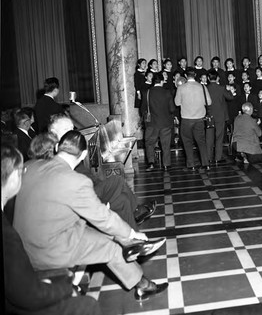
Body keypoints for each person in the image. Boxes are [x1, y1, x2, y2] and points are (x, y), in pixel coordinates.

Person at [14, 131, 168, 301]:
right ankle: (143, 280)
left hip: (22, 244)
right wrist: (132, 233)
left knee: (111, 235)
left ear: (57, 147)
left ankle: (134, 252)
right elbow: (103, 218)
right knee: (111, 247)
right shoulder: (74, 181)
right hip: (48, 248)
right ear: (85, 154)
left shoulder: (31, 166)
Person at [2, 144, 102, 315]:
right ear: (12, 179)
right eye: (21, 172)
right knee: (88, 305)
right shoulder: (7, 236)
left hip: (24, 282)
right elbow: (28, 296)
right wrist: (64, 288)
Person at [48, 114, 156, 229]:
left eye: (71, 128)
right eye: (66, 130)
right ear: (53, 132)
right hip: (83, 198)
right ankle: (136, 213)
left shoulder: (70, 147)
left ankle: (133, 239)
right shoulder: (55, 154)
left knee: (123, 200)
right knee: (116, 180)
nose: (72, 133)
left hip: (92, 187)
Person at [174, 67, 211, 171]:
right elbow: (209, 102)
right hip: (199, 118)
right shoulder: (202, 87)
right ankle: (205, 163)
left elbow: (177, 103)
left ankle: (191, 165)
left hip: (186, 119)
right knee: (201, 142)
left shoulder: (181, 88)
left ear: (185, 76)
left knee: (187, 142)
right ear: (195, 75)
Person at [143, 76, 176, 171]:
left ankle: (151, 163)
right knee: (165, 144)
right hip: (165, 122)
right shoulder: (167, 92)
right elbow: (172, 109)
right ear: (161, 82)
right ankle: (166, 164)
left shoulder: (147, 93)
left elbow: (143, 109)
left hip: (151, 123)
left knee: (150, 143)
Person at [206, 71, 234, 163]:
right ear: (217, 78)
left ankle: (208, 158)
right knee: (219, 137)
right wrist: (229, 89)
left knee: (209, 137)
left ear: (208, 78)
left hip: (209, 115)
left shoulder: (205, 88)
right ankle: (218, 158)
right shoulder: (221, 88)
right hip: (220, 116)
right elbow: (230, 97)